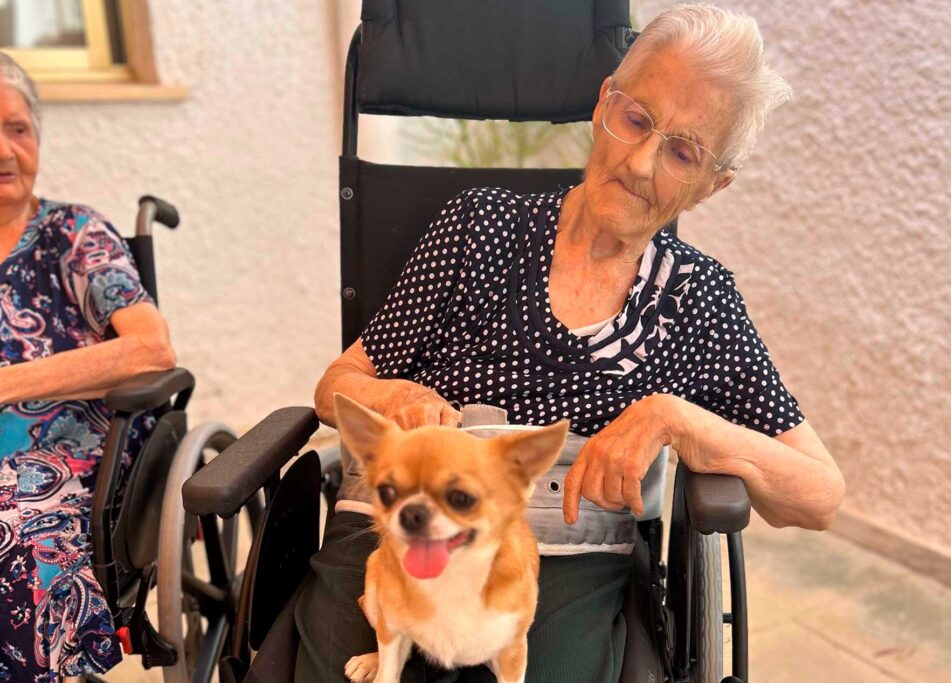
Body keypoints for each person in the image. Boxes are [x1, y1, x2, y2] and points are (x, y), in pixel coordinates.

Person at [298, 5, 845, 682]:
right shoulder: (478, 227)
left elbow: (819, 492)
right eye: (637, 119)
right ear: (602, 104)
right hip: (399, 529)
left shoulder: (697, 300)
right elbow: (337, 384)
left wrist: (675, 417)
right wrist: (394, 393)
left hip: (564, 552)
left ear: (712, 186)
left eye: (682, 151)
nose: (642, 162)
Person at [0, 53, 176, 681]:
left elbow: (152, 349)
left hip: (68, 448)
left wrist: (10, 383)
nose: (6, 150)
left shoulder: (74, 235)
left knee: (12, 523)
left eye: (18, 129)